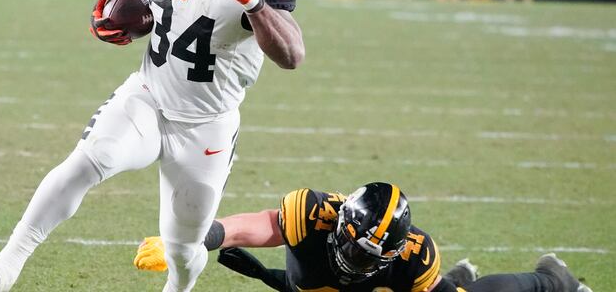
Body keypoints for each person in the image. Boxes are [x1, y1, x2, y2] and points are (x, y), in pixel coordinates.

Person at [0, 0, 305, 292]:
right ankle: (4, 266)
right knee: (87, 161)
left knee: (183, 245)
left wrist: (251, 1)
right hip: (149, 95)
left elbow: (292, 55)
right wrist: (126, 23)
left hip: (207, 124)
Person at [135, 182, 593, 292]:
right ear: (340, 226)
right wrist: (197, 241)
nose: (358, 259)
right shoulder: (313, 214)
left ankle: (550, 279)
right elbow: (261, 225)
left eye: (371, 255)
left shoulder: (413, 255)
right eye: (355, 248)